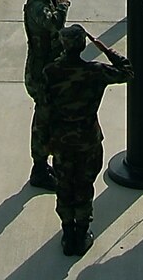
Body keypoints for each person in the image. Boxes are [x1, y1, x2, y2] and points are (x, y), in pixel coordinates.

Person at [43, 22, 133, 257]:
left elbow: (44, 109)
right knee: (84, 186)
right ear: (83, 46)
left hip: (61, 140)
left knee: (64, 185)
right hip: (88, 140)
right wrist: (105, 48)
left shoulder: (51, 72)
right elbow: (127, 71)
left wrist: (45, 141)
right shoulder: (95, 71)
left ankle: (67, 231)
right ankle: (81, 233)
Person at [24, 0, 71, 188]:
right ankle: (39, 169)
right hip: (41, 75)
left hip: (51, 72)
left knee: (52, 119)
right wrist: (64, 1)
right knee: (43, 122)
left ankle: (45, 164)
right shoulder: (37, 5)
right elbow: (55, 24)